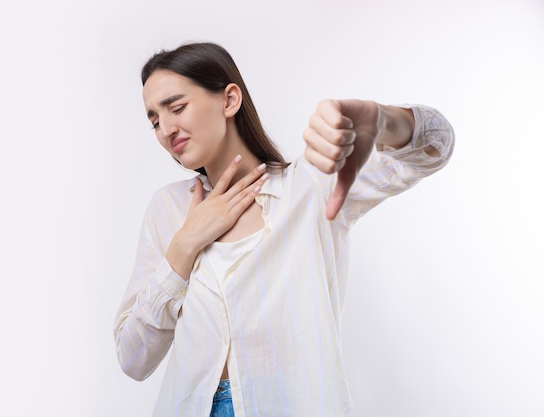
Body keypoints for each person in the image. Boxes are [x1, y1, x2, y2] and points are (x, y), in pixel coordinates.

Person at [113, 41, 454, 417]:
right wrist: (185, 244)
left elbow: (433, 146)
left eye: (177, 107)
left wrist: (381, 120)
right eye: (155, 121)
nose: (166, 130)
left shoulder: (309, 187)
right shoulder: (169, 209)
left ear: (229, 101)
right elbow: (132, 359)